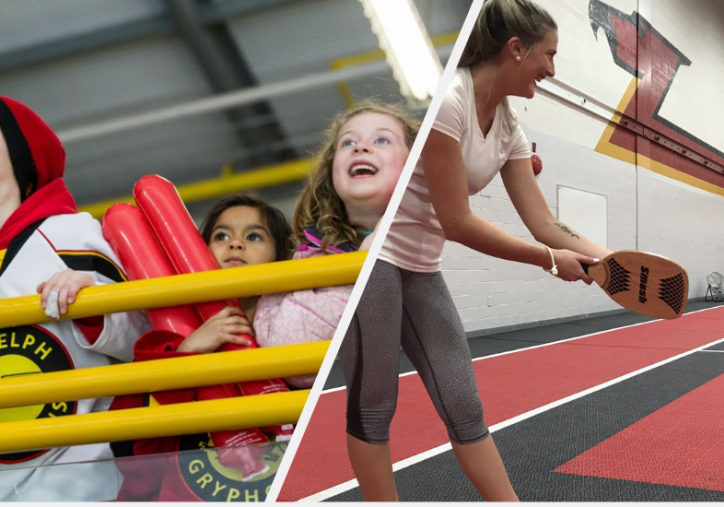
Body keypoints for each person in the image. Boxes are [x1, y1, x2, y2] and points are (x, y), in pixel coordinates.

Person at [338, 0, 614, 501]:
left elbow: (544, 222)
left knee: (463, 404)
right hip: (378, 258)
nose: (552, 69)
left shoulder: (510, 128)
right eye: (548, 55)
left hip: (422, 266)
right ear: (515, 49)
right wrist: (549, 260)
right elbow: (458, 221)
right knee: (375, 404)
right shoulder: (450, 102)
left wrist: (614, 263)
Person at [0, 96, 149, 501]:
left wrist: (92, 305)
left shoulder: (68, 234)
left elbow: (142, 333)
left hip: (78, 479)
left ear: (20, 153)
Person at [110, 194, 295, 501]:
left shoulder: (296, 337)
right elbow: (129, 452)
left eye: (253, 236)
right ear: (194, 252)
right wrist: (187, 353)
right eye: (221, 236)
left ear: (280, 256)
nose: (235, 244)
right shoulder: (160, 348)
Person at [253, 100, 420, 388]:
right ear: (331, 172)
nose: (361, 147)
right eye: (347, 143)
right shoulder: (308, 260)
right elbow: (292, 361)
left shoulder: (435, 229)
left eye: (382, 140)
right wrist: (358, 271)